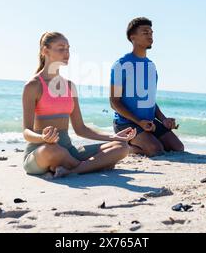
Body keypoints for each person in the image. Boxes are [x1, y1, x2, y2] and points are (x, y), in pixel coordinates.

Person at [22, 32, 136, 178]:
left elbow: (81, 129)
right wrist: (43, 138)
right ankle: (88, 166)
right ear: (45, 51)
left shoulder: (70, 86)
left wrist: (113, 137)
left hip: (68, 151)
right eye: (61, 48)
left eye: (68, 48)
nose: (67, 53)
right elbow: (26, 132)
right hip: (40, 152)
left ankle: (72, 169)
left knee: (122, 147)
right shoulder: (33, 86)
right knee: (54, 150)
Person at [110, 17, 185, 157]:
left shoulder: (151, 66)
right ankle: (123, 145)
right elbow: (114, 102)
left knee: (178, 148)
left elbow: (149, 100)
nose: (150, 35)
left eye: (151, 32)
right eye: (145, 32)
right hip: (126, 123)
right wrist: (139, 122)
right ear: (133, 37)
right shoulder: (121, 65)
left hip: (149, 123)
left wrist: (164, 120)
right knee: (156, 150)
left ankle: (145, 139)